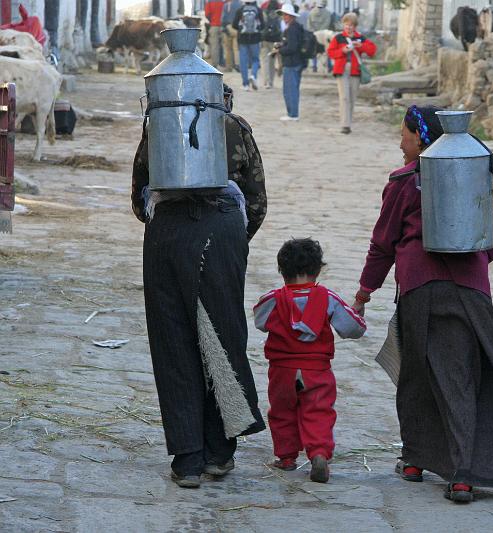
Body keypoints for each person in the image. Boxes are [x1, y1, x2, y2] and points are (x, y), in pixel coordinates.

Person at [352, 105, 493, 503]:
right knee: (468, 376)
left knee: (417, 373)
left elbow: (383, 244)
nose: (400, 140)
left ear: (421, 139)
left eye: (404, 134)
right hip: (471, 291)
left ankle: (428, 463)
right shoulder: (472, 177)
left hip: (419, 290)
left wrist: (364, 292)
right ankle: (457, 468)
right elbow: (491, 242)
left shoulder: (402, 183)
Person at [131, 84, 268, 488]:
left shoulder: (157, 125)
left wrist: (169, 224)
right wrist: (230, 238)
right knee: (223, 337)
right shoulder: (237, 127)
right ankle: (219, 453)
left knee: (173, 341)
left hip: (167, 234)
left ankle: (187, 460)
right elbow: (257, 202)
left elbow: (140, 197)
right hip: (223, 233)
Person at [253, 238, 366, 483]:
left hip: (282, 370)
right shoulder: (328, 298)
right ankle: (319, 453)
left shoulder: (272, 298)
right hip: (317, 370)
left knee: (282, 412)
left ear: (282, 270)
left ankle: (286, 457)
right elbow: (353, 329)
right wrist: (358, 313)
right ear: (318, 269)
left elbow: (260, 321)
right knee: (318, 412)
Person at [327, 12, 376, 134]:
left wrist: (361, 46)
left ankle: (348, 122)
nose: (349, 27)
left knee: (352, 98)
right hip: (341, 70)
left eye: (351, 25)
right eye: (347, 25)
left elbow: (372, 51)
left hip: (355, 71)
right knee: (344, 97)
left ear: (355, 26)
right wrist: (342, 50)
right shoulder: (338, 38)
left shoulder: (360, 38)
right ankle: (345, 125)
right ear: (343, 25)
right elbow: (330, 52)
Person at [275, 3, 304, 121]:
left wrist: (280, 50)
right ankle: (293, 113)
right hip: (297, 62)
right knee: (293, 89)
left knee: (290, 90)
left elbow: (292, 47)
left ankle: (292, 114)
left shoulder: (291, 29)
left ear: (291, 16)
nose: (284, 17)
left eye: (285, 15)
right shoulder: (296, 27)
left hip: (292, 63)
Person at [233, 0, 264, 91]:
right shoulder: (258, 10)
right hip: (255, 39)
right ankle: (253, 75)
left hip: (242, 39)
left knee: (243, 62)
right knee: (255, 59)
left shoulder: (240, 10)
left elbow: (234, 25)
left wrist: (241, 28)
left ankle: (245, 84)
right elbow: (263, 25)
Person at [259, 0, 283, 88]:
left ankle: (266, 81)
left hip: (264, 39)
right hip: (275, 40)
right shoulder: (280, 14)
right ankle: (271, 82)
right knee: (272, 62)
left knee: (265, 61)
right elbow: (282, 27)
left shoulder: (264, 12)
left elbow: (261, 25)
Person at [307, 0, 332, 73]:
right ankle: (329, 66)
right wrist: (321, 31)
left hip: (314, 34)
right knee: (328, 50)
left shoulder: (311, 12)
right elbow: (327, 23)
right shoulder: (327, 13)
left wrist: (314, 31)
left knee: (314, 51)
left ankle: (314, 66)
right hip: (324, 35)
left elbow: (309, 25)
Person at [221, 0, 242, 72]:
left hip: (228, 27)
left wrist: (224, 27)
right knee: (236, 49)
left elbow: (223, 18)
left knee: (228, 49)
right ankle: (238, 65)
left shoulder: (227, 5)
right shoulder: (241, 4)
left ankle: (228, 67)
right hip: (237, 28)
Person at [205, 0, 225, 67]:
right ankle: (223, 62)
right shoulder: (224, 2)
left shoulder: (210, 2)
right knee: (224, 45)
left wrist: (212, 20)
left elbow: (207, 14)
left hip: (214, 26)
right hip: (224, 26)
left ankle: (215, 64)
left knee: (214, 46)